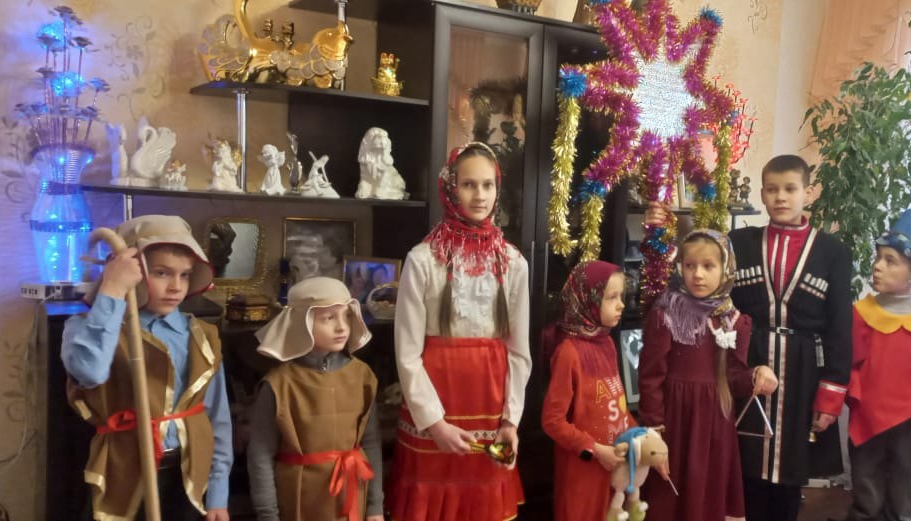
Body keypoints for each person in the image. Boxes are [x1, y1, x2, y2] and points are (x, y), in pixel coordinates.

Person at [650, 155, 853, 521]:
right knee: (742, 461)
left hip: (802, 370)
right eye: (772, 189)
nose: (781, 197)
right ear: (761, 194)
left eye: (790, 189)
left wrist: (831, 393)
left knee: (790, 468)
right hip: (744, 358)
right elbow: (709, 291)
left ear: (808, 193)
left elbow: (840, 327)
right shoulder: (739, 243)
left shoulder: (833, 252)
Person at [387, 142, 531, 521]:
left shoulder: (514, 263)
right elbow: (407, 353)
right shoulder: (423, 260)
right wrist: (433, 423)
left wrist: (511, 421)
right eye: (468, 185)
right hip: (436, 402)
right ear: (450, 188)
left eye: (488, 185)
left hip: (491, 405)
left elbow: (519, 352)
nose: (480, 195)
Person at [61, 215, 232, 521]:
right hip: (121, 474)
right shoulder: (86, 328)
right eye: (161, 273)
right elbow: (90, 372)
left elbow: (217, 418)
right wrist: (112, 290)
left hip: (187, 477)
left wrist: (218, 493)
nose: (176, 287)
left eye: (184, 275)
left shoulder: (201, 337)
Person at [639, 229, 778, 521]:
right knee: (670, 496)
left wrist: (756, 374)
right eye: (690, 265)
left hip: (714, 424)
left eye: (708, 266)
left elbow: (734, 377)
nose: (698, 275)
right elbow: (651, 376)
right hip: (676, 423)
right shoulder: (666, 314)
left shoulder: (733, 320)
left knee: (706, 495)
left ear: (726, 268)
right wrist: (654, 430)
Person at [246, 276, 383, 521]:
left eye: (346, 316)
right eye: (329, 318)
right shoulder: (279, 384)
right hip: (300, 499)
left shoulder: (362, 376)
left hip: (351, 493)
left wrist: (375, 508)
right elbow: (260, 454)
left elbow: (371, 443)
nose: (342, 327)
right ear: (303, 322)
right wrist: (268, 515)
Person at [846, 209, 911, 521]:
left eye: (891, 260)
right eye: (878, 258)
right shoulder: (861, 314)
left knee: (907, 505)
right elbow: (848, 366)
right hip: (869, 420)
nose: (878, 266)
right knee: (866, 503)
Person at [540, 260, 637, 521]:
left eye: (622, 296)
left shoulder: (607, 344)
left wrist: (639, 435)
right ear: (587, 300)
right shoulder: (568, 353)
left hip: (613, 471)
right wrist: (594, 450)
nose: (621, 305)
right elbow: (552, 421)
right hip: (582, 476)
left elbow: (618, 405)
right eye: (612, 297)